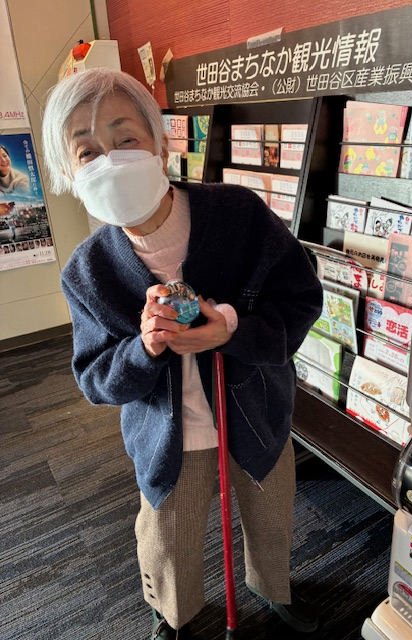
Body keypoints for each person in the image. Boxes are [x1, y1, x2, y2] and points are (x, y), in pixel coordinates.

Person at [41, 67, 323, 640]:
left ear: (160, 142)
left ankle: (273, 589)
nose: (110, 161)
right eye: (87, 151)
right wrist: (143, 349)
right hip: (167, 438)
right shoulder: (88, 271)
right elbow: (95, 378)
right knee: (167, 540)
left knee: (272, 518)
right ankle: (173, 614)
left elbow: (301, 298)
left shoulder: (239, 214)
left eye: (125, 138)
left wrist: (232, 329)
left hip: (256, 415)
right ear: (69, 174)